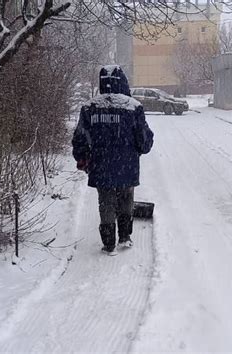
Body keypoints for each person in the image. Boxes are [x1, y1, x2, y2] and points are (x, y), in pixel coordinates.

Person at [72, 65, 154, 256]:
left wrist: (83, 158)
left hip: (101, 165)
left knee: (106, 202)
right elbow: (144, 139)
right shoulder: (133, 107)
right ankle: (125, 236)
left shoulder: (89, 108)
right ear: (123, 82)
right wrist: (141, 148)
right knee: (126, 198)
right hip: (127, 165)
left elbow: (80, 138)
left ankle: (108, 243)